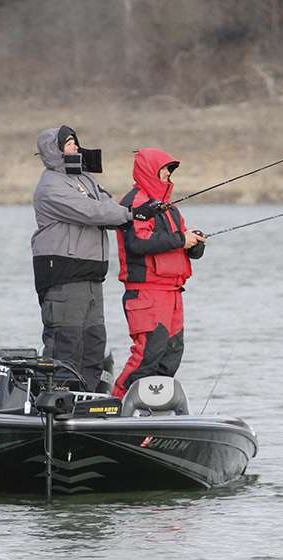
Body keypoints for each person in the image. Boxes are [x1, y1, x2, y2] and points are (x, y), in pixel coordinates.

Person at [31, 126, 162, 392]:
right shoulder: (50, 186)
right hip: (63, 274)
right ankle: (57, 403)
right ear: (53, 150)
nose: (76, 148)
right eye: (69, 144)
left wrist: (133, 212)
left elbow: (109, 207)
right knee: (65, 341)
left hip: (91, 275)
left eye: (75, 143)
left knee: (93, 342)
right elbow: (92, 211)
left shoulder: (85, 180)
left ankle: (89, 400)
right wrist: (131, 214)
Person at [113, 148, 205, 399]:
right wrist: (179, 240)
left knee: (170, 356)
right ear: (150, 170)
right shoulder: (135, 203)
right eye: (165, 169)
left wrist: (194, 243)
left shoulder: (170, 209)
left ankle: (150, 408)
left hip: (173, 292)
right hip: (146, 292)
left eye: (171, 170)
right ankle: (116, 405)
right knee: (146, 356)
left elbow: (180, 242)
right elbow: (138, 243)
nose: (168, 174)